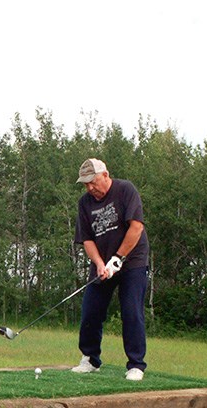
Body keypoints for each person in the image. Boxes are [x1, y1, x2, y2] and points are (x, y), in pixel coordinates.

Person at [71, 158, 150, 381]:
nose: (90, 188)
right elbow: (87, 239)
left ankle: (136, 365)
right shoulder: (85, 203)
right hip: (102, 263)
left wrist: (118, 258)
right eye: (85, 184)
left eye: (93, 182)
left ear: (105, 175)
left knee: (131, 311)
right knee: (91, 310)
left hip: (132, 260)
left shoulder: (125, 190)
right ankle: (90, 359)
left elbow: (136, 227)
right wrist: (98, 263)